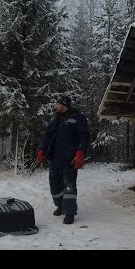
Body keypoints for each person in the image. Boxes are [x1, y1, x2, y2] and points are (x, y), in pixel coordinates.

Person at [35, 96, 90, 225]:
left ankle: (70, 212)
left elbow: (84, 137)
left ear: (64, 105)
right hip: (55, 159)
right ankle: (60, 205)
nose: (55, 106)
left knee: (69, 186)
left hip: (70, 159)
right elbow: (47, 137)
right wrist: (41, 151)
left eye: (57, 104)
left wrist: (80, 154)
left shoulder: (78, 118)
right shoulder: (55, 119)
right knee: (54, 185)